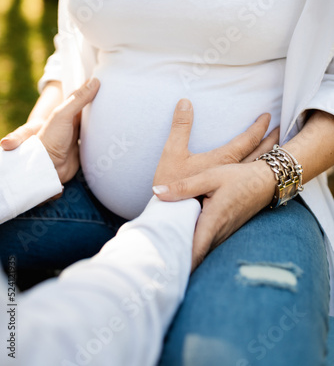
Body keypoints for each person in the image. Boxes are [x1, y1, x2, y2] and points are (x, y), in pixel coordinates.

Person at [1, 0, 334, 364]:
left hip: (258, 206)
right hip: (87, 198)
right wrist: (50, 113)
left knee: (226, 354)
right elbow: (75, 41)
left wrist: (271, 176)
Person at [0, 80, 277, 366]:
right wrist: (177, 202)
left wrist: (36, 165)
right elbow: (62, 344)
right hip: (171, 208)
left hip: (68, 177)